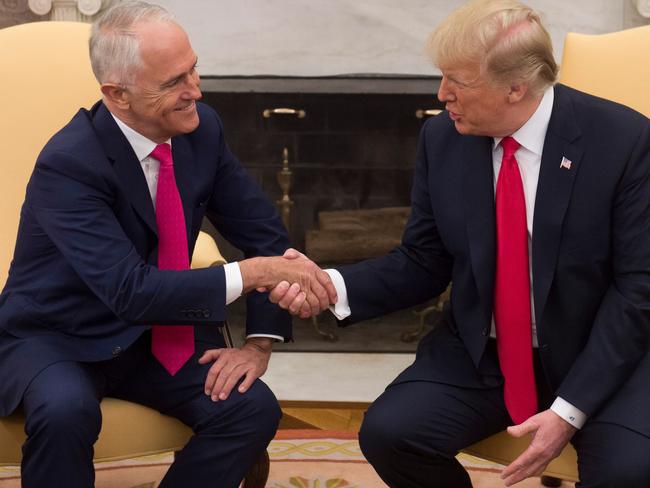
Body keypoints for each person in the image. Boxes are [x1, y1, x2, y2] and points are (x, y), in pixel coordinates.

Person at [272, 0, 650, 486]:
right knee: (391, 433)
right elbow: (423, 260)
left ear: (517, 87)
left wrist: (569, 412)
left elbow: (638, 289)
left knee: (627, 472)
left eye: (459, 82)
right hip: (485, 351)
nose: (442, 93)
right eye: (442, 76)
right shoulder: (443, 137)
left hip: (598, 352)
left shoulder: (624, 140)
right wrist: (330, 285)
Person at [0, 2, 335, 487]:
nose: (195, 90)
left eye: (194, 68)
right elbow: (129, 290)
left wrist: (259, 344)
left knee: (251, 409)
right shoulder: (70, 164)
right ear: (118, 94)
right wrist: (254, 274)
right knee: (64, 411)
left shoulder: (202, 130)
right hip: (60, 336)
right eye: (174, 82)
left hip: (157, 339)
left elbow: (264, 235)